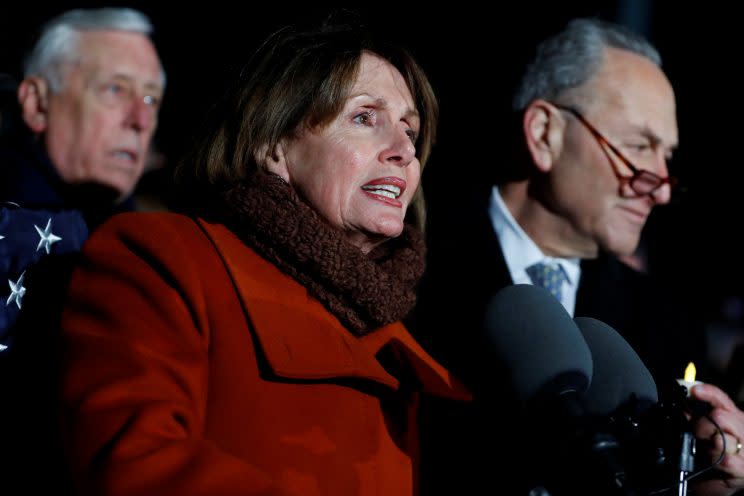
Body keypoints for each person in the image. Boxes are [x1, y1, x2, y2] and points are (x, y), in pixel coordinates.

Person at [56, 17, 467, 496]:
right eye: (364, 118)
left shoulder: (409, 329)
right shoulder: (163, 256)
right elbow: (135, 464)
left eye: (409, 131)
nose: (402, 151)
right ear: (273, 144)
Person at [410, 17, 744, 495]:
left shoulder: (667, 324)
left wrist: (709, 477)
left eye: (666, 155)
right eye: (637, 147)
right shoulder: (408, 272)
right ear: (545, 133)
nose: (660, 187)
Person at [0, 7, 165, 349]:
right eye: (115, 89)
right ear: (37, 104)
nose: (141, 119)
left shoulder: (156, 254)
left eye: (151, 98)